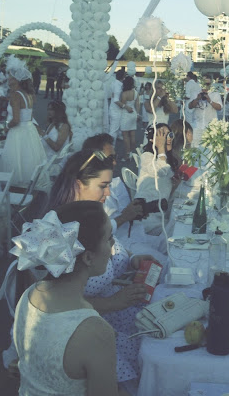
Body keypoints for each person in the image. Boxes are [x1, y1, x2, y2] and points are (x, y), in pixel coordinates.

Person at [46, 150, 159, 384]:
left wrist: (133, 258)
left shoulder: (93, 216)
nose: (109, 193)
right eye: (103, 186)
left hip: (116, 314)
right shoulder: (64, 231)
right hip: (97, 325)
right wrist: (113, 303)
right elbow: (56, 301)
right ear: (79, 184)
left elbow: (115, 246)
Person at [12, 201, 128, 396]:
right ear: (89, 258)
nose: (113, 244)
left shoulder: (30, 294)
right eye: (109, 238)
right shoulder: (95, 331)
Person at [0, 55, 47, 185]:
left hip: (18, 132)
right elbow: (29, 116)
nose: (8, 79)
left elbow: (16, 120)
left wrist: (6, 127)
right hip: (29, 130)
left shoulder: (15, 95)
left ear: (16, 79)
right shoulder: (29, 94)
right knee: (27, 159)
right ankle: (26, 187)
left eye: (10, 76)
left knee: (16, 160)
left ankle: (15, 187)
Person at [136, 124, 180, 233]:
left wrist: (174, 186)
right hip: (147, 216)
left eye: (169, 134)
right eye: (162, 135)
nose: (168, 138)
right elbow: (160, 171)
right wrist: (160, 148)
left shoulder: (166, 159)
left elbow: (166, 192)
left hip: (161, 213)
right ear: (153, 139)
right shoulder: (147, 156)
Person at [189, 76, 222, 147]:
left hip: (210, 127)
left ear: (210, 84)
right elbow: (190, 106)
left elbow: (219, 107)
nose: (205, 85)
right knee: (195, 147)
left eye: (207, 84)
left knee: (210, 148)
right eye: (204, 83)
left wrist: (210, 101)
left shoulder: (215, 94)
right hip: (197, 125)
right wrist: (197, 99)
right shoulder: (195, 93)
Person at [119, 76, 140, 161]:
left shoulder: (124, 94)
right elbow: (138, 104)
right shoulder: (135, 93)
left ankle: (127, 155)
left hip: (126, 114)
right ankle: (132, 152)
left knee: (125, 136)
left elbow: (123, 105)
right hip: (134, 113)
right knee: (132, 135)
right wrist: (137, 114)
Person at [109, 69, 125, 142]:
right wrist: (125, 106)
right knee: (113, 131)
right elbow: (116, 100)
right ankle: (111, 147)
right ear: (123, 77)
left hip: (112, 109)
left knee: (114, 129)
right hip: (116, 111)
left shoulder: (113, 83)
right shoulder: (118, 86)